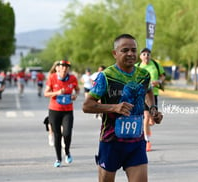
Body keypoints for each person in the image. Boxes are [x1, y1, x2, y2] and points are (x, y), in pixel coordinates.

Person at [82, 34, 163, 182]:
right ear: (115, 53)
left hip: (136, 142)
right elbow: (87, 105)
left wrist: (153, 109)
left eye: (133, 50)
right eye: (125, 50)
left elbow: (149, 91)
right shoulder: (106, 76)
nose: (131, 54)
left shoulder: (143, 75)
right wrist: (114, 108)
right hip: (111, 142)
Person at [44, 60, 80, 167]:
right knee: (57, 135)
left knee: (67, 133)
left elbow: (77, 90)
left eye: (66, 67)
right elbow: (46, 93)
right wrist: (57, 93)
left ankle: (67, 152)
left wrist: (75, 95)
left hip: (68, 111)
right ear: (57, 68)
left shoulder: (73, 78)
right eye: (62, 66)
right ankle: (58, 158)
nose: (64, 68)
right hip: (54, 110)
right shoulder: (52, 77)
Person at [137, 47, 166, 152]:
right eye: (144, 54)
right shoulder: (137, 67)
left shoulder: (156, 65)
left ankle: (147, 128)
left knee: (152, 120)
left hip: (153, 94)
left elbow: (163, 76)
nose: (146, 56)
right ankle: (147, 141)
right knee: (146, 116)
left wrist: (158, 81)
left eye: (148, 54)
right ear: (140, 57)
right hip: (142, 94)